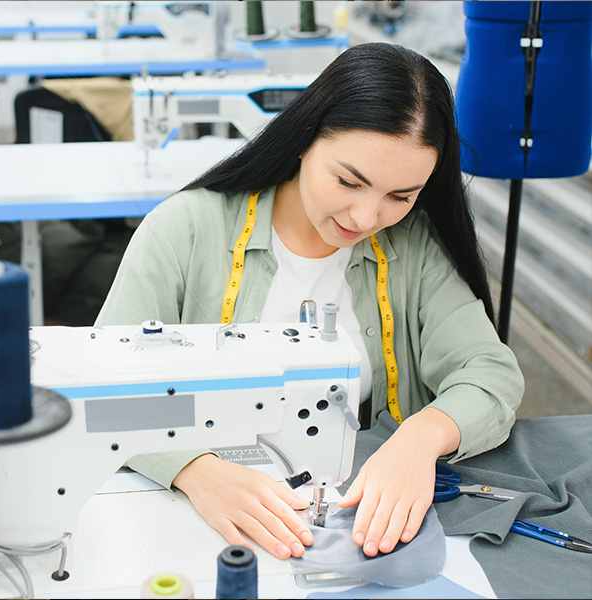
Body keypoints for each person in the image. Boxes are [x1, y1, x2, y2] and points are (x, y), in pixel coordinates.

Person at [95, 42, 524, 560]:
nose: (366, 219)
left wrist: (422, 435)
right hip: (184, 515)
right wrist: (194, 470)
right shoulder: (184, 230)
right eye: (348, 181)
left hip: (334, 515)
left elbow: (490, 372)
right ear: (303, 140)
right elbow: (105, 387)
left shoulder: (410, 247)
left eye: (401, 196)